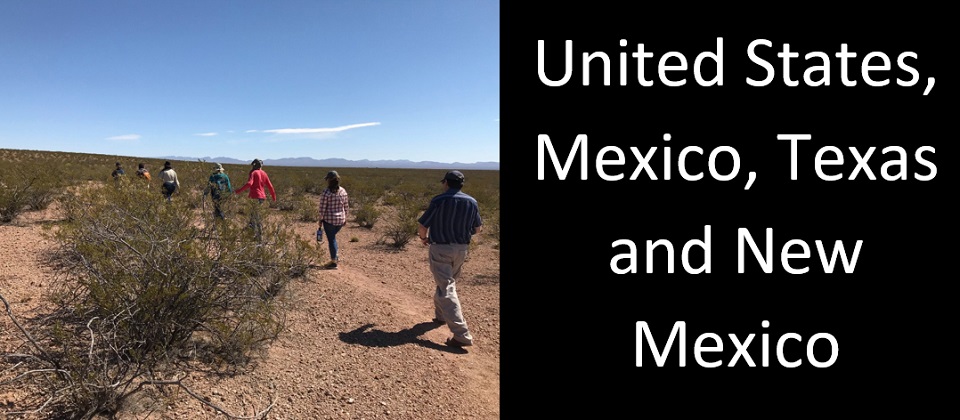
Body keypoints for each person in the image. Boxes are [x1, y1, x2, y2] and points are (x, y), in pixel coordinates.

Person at [417, 170, 483, 348]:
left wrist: (424, 238)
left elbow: (423, 224)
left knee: (446, 286)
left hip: (440, 248)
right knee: (448, 283)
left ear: (446, 182)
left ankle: (461, 334)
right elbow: (477, 229)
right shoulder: (472, 202)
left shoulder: (439, 200)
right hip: (461, 249)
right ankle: (440, 316)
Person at [317, 170, 349, 269]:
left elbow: (322, 208)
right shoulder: (343, 191)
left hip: (329, 220)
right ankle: (335, 255)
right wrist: (345, 217)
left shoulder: (326, 192)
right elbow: (346, 206)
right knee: (333, 238)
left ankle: (334, 261)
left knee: (331, 239)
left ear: (329, 181)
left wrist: (320, 220)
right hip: (340, 220)